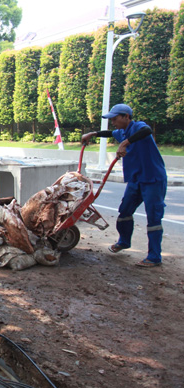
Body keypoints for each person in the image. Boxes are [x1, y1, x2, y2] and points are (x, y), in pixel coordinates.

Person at [82, 103, 167, 267]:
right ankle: (124, 241)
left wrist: (125, 143)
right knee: (124, 211)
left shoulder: (139, 127)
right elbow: (109, 133)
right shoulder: (121, 131)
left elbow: (147, 131)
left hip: (153, 179)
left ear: (126, 117)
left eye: (115, 119)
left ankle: (154, 256)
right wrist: (93, 134)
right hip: (135, 180)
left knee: (154, 217)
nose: (113, 122)